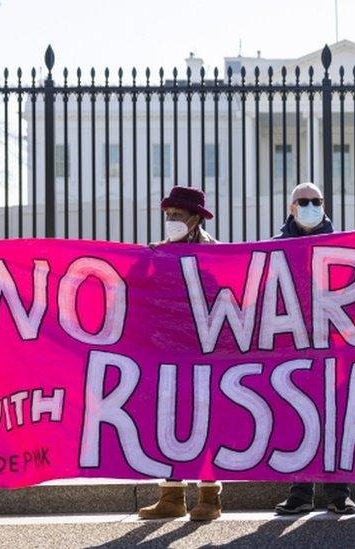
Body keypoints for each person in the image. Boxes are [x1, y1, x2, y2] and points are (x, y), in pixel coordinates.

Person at [137, 186, 223, 521]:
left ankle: (210, 496)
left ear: (196, 218)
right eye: (168, 215)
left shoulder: (218, 255)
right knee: (167, 422)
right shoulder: (157, 253)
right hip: (166, 351)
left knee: (205, 421)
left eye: (177, 215)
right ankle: (171, 496)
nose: (171, 220)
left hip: (204, 351)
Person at [272, 182, 355, 515]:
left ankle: (339, 492)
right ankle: (301, 491)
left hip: (333, 343)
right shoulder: (276, 247)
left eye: (316, 200)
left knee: (334, 416)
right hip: (292, 343)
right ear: (291, 208)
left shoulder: (344, 245)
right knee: (297, 417)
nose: (310, 206)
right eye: (303, 201)